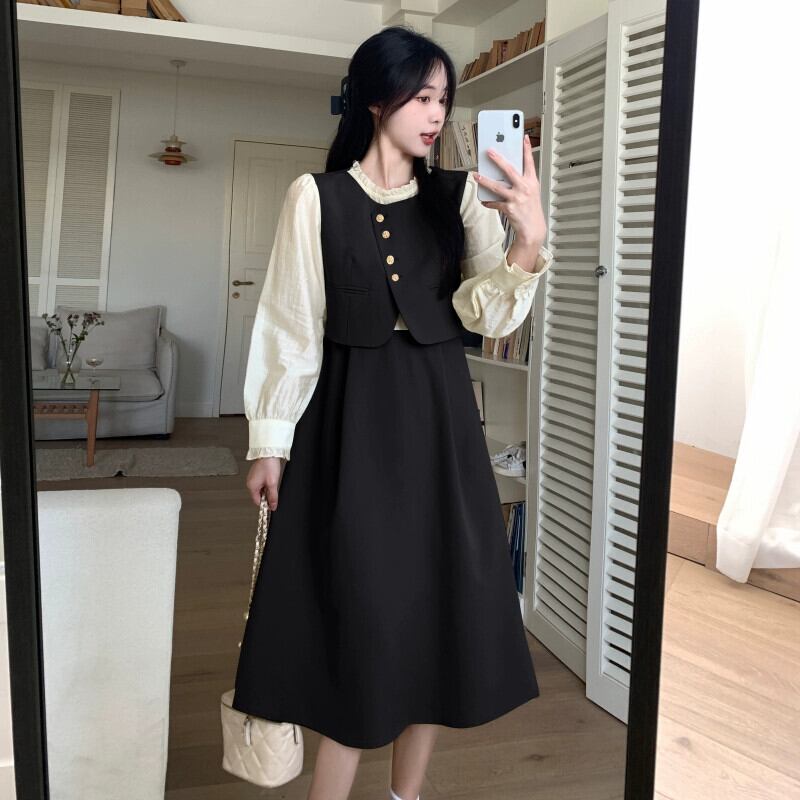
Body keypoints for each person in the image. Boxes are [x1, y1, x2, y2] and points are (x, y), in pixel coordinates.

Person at [232, 24, 553, 800]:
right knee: (360, 612)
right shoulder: (315, 197)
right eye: (422, 96)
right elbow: (290, 325)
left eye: (445, 99)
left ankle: (404, 797)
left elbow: (488, 313)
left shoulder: (460, 196)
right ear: (377, 99)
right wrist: (269, 441)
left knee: (436, 609)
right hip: (349, 423)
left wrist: (529, 238)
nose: (437, 113)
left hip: (440, 424)